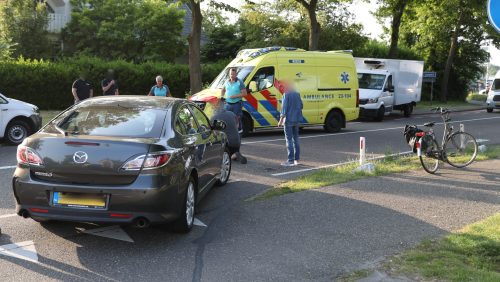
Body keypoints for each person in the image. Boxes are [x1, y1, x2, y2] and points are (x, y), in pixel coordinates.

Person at [210, 97, 247, 164]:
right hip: (237, 143)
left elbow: (213, 132)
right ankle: (235, 154)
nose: (212, 108)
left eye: (213, 107)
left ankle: (231, 155)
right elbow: (237, 126)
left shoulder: (214, 118)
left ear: (216, 107)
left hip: (227, 144)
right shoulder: (231, 114)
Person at [277, 80, 303, 166]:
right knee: (296, 139)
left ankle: (290, 160)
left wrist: (280, 120)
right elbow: (301, 106)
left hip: (288, 120)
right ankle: (297, 159)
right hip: (296, 120)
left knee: (289, 140)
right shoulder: (297, 94)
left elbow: (284, 108)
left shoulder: (286, 95)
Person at [221, 67, 247, 133]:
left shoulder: (239, 82)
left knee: (236, 118)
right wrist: (222, 96)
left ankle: (239, 131)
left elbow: (244, 93)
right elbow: (223, 90)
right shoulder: (226, 81)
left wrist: (235, 96)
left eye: (233, 74)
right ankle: (229, 131)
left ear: (236, 74)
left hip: (237, 103)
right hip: (228, 104)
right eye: (230, 74)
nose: (232, 76)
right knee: (227, 118)